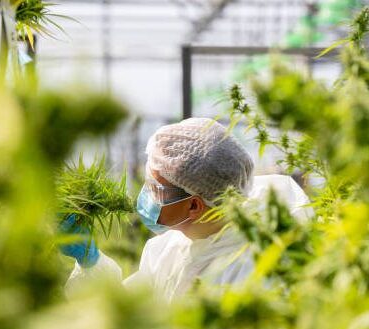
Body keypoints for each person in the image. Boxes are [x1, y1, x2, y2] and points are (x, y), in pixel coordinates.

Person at [61, 118, 312, 302]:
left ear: (194, 204)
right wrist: (90, 263)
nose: (144, 195)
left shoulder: (251, 270)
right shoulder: (172, 247)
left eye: (155, 188)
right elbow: (125, 311)